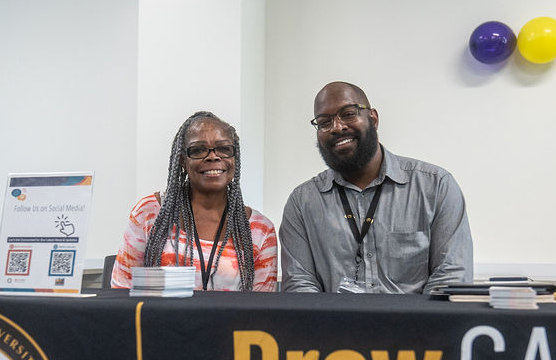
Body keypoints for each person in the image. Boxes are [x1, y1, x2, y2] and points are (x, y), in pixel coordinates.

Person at [280, 81, 473, 294]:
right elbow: (300, 284)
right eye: (324, 122)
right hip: (334, 326)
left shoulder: (435, 186)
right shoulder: (302, 202)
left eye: (348, 114)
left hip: (417, 326)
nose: (337, 127)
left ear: (373, 118)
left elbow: (451, 278)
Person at [112, 111, 278, 291]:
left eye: (224, 148)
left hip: (232, 320)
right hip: (158, 319)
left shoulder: (260, 230)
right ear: (183, 160)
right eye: (198, 150)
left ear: (235, 158)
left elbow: (261, 309)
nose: (213, 156)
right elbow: (122, 288)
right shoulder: (149, 212)